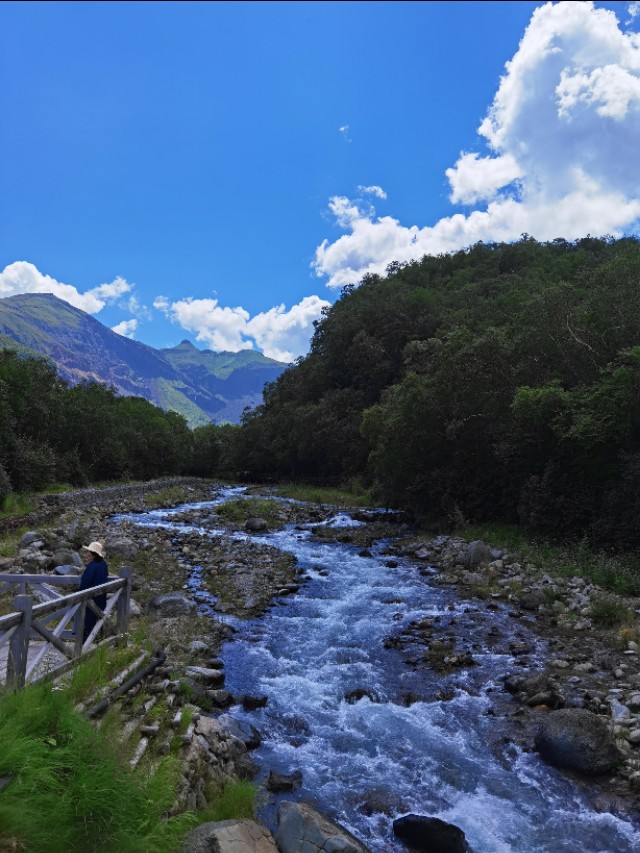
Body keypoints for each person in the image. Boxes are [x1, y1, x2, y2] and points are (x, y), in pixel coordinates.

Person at [79, 541, 108, 641]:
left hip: (90, 599)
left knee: (88, 624)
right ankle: (99, 642)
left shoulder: (91, 567)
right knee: (98, 622)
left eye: (89, 552)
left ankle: (85, 646)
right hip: (101, 599)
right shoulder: (103, 565)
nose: (87, 554)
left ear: (94, 554)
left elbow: (85, 584)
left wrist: (78, 594)